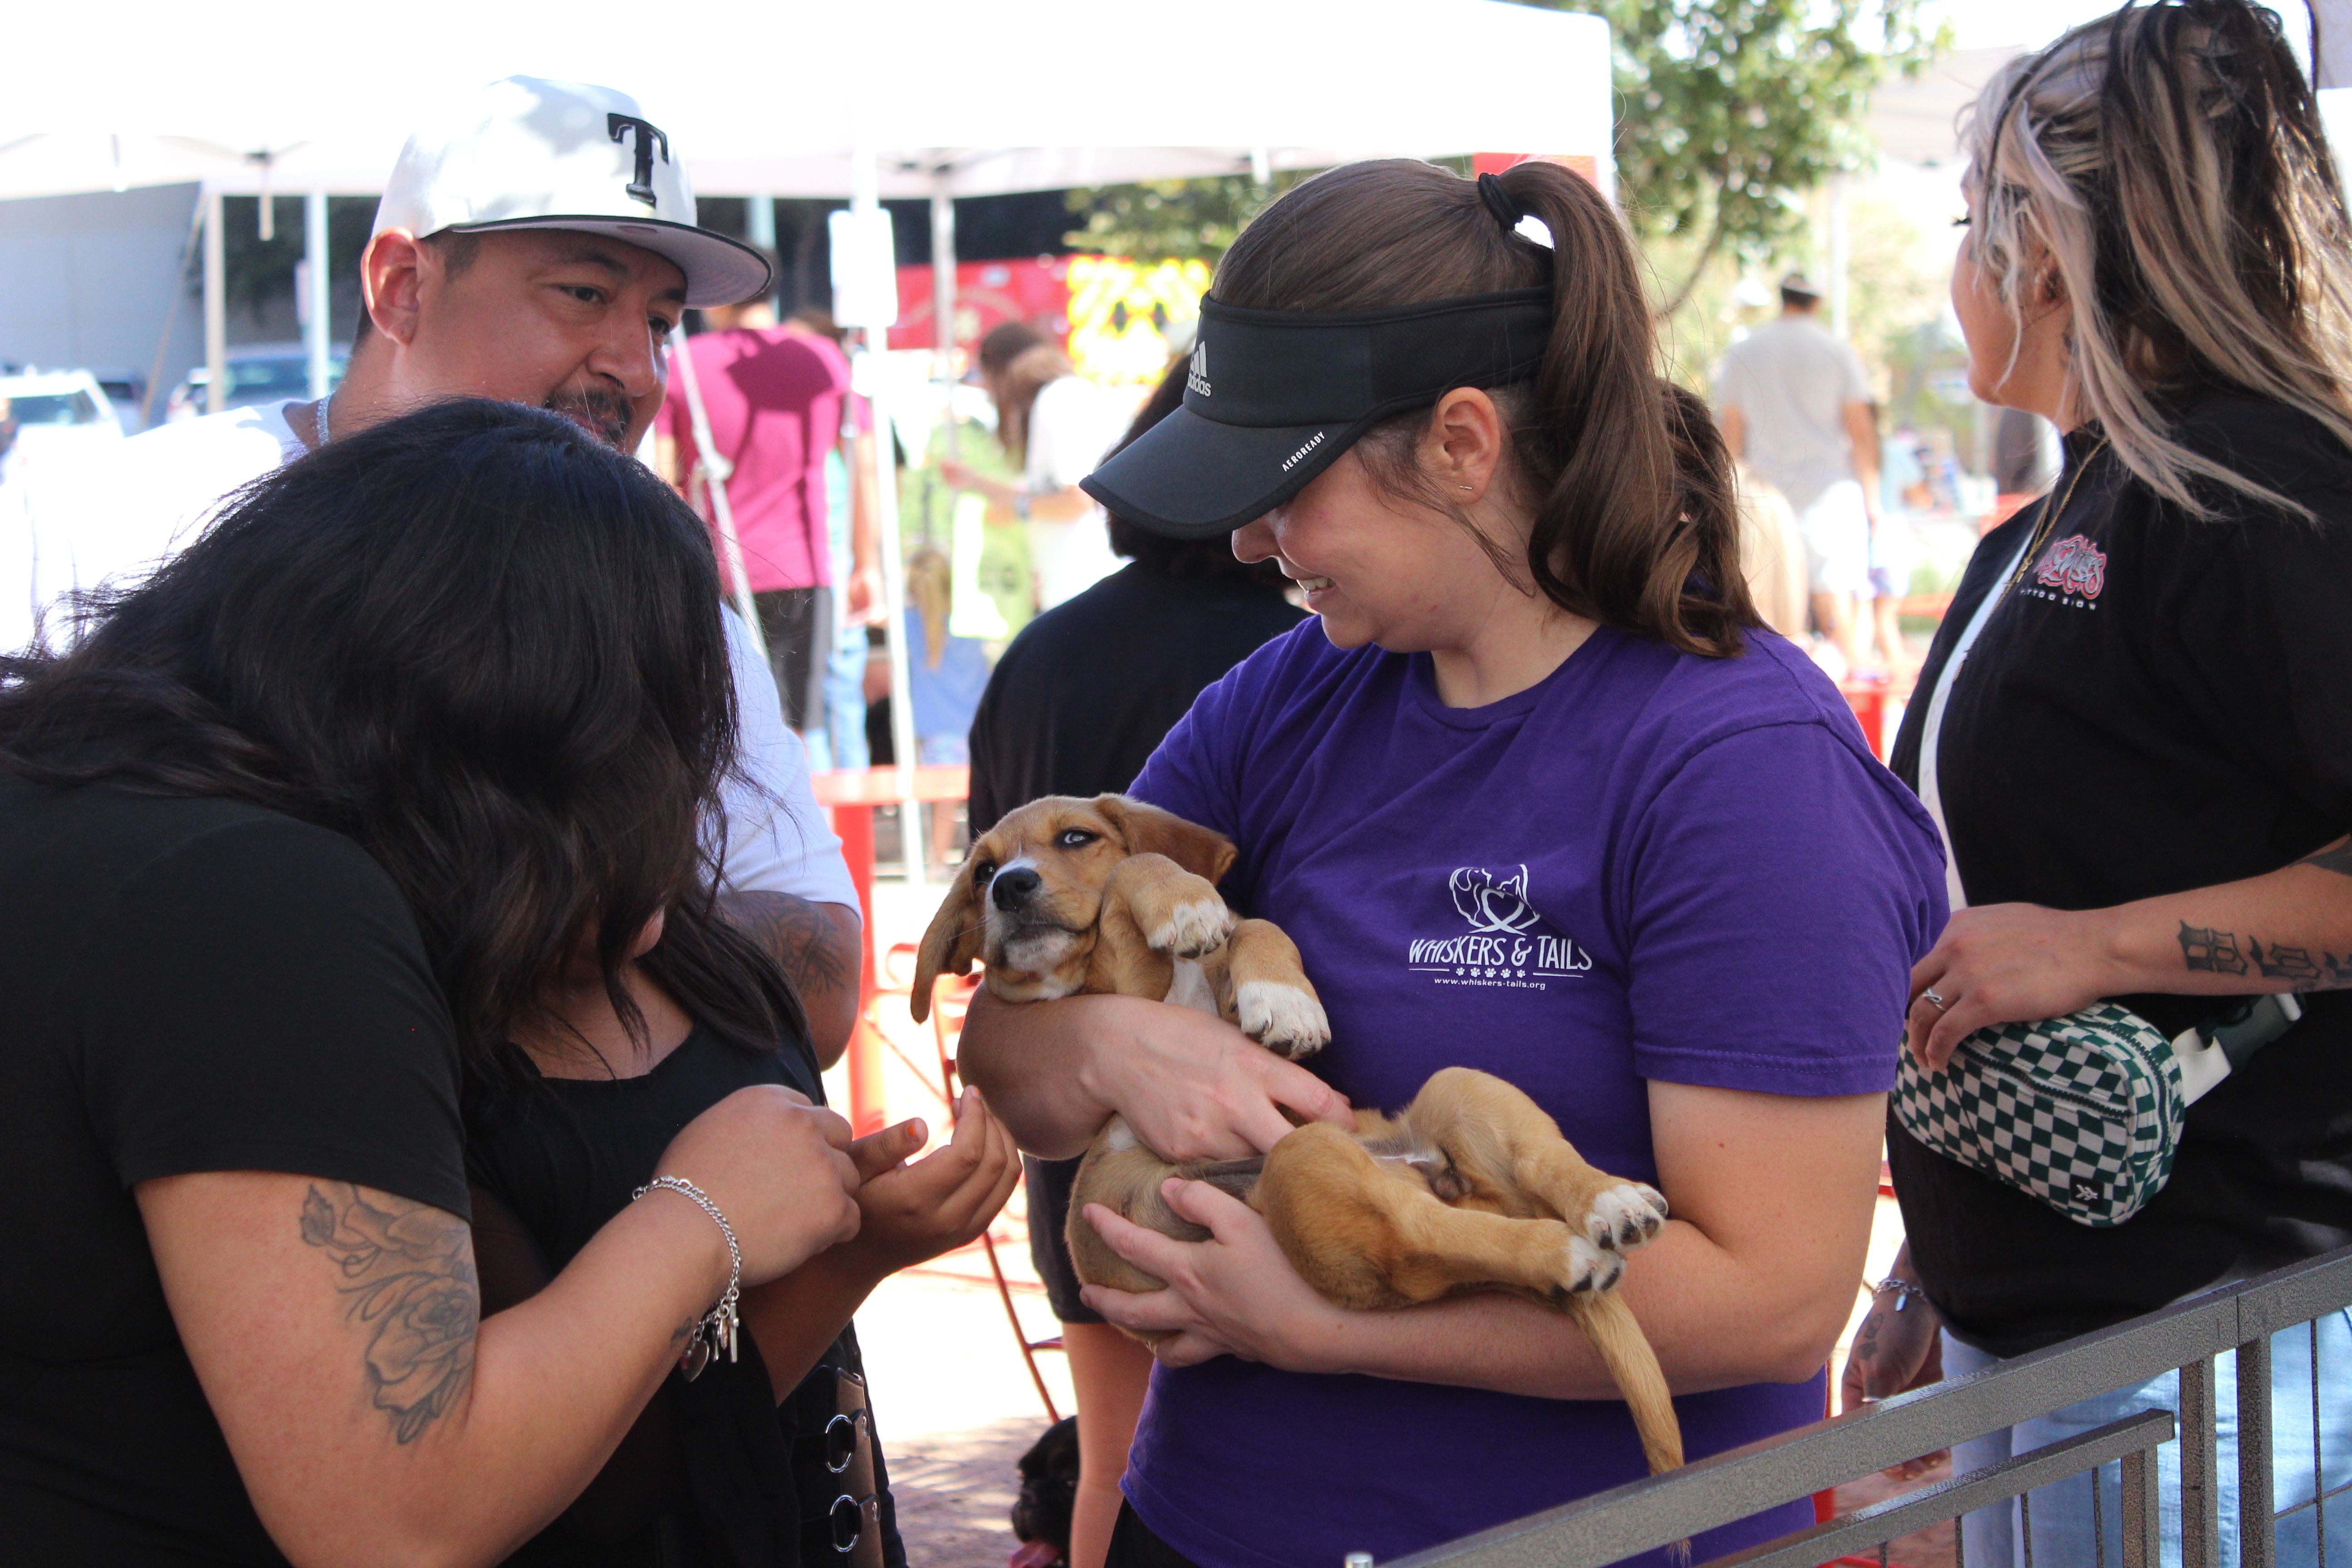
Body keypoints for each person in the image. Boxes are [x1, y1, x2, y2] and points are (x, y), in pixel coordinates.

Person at [956, 157, 1946, 1568]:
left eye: (1284, 489)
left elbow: (1775, 1298)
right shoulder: (1290, 695)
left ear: (1462, 443)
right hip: (1209, 1523)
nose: (1248, 541)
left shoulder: (1740, 764)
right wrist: (1117, 1049)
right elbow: (1010, 1056)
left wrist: (1329, 1322)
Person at [0, 400, 870, 1565]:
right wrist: (701, 1215)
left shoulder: (81, 801)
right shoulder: (259, 901)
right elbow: (398, 1517)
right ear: (516, 721)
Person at [50, 75, 868, 1064]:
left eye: (659, 322)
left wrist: (550, 916)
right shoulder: (111, 517)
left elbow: (825, 978)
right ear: (402, 287)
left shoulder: (659, 600)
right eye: (584, 295)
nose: (637, 368)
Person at [1841, 6, 2352, 1564]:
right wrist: (1927, 1257)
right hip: (2049, 1317)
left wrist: (2097, 946)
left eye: (1963, 226)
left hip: (2218, 1332)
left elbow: (2060, 927)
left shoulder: (2260, 495)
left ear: (2040, 251)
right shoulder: (2075, 505)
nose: (1953, 272)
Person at [963, 358, 1306, 1568]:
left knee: (1114, 1461)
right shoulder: (1302, 660)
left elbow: (988, 902)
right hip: (1241, 1125)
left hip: (1077, 1125)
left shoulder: (1040, 653)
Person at [657, 293, 882, 760]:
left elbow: (663, 480)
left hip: (716, 575)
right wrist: (867, 563)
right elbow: (864, 467)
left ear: (715, 298)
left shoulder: (685, 365)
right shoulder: (821, 359)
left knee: (730, 734)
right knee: (801, 732)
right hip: (806, 567)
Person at [1715, 272, 1885, 675]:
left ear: (1783, 298)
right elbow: (1861, 429)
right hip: (1829, 491)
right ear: (1817, 303)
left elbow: (1731, 432)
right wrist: (1873, 498)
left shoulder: (1745, 351)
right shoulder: (1836, 350)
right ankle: (1849, 691)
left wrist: (1728, 497)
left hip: (1765, 497)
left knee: (1768, 604)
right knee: (1837, 604)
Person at [942, 321, 1129, 612]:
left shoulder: (1060, 399)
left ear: (1001, 372)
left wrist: (1019, 509)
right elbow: (1049, 495)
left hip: (1087, 588)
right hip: (1084, 588)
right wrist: (975, 482)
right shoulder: (1060, 395)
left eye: (985, 378)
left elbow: (1079, 500)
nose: (986, 390)